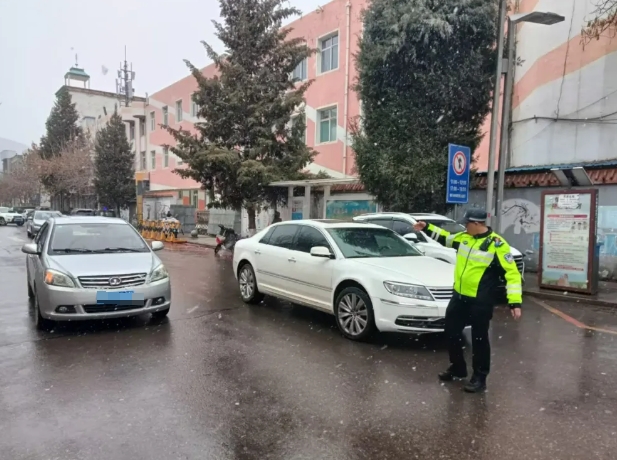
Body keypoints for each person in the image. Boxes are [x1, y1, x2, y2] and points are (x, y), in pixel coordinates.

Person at [413, 208, 522, 393]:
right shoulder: (464, 238)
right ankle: (458, 368)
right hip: (459, 296)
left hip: (480, 301)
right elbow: (445, 237)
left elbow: (512, 275)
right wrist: (427, 227)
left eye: (467, 223)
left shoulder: (497, 244)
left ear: (478, 224)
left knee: (479, 340)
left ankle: (480, 377)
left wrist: (515, 302)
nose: (464, 226)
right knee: (451, 333)